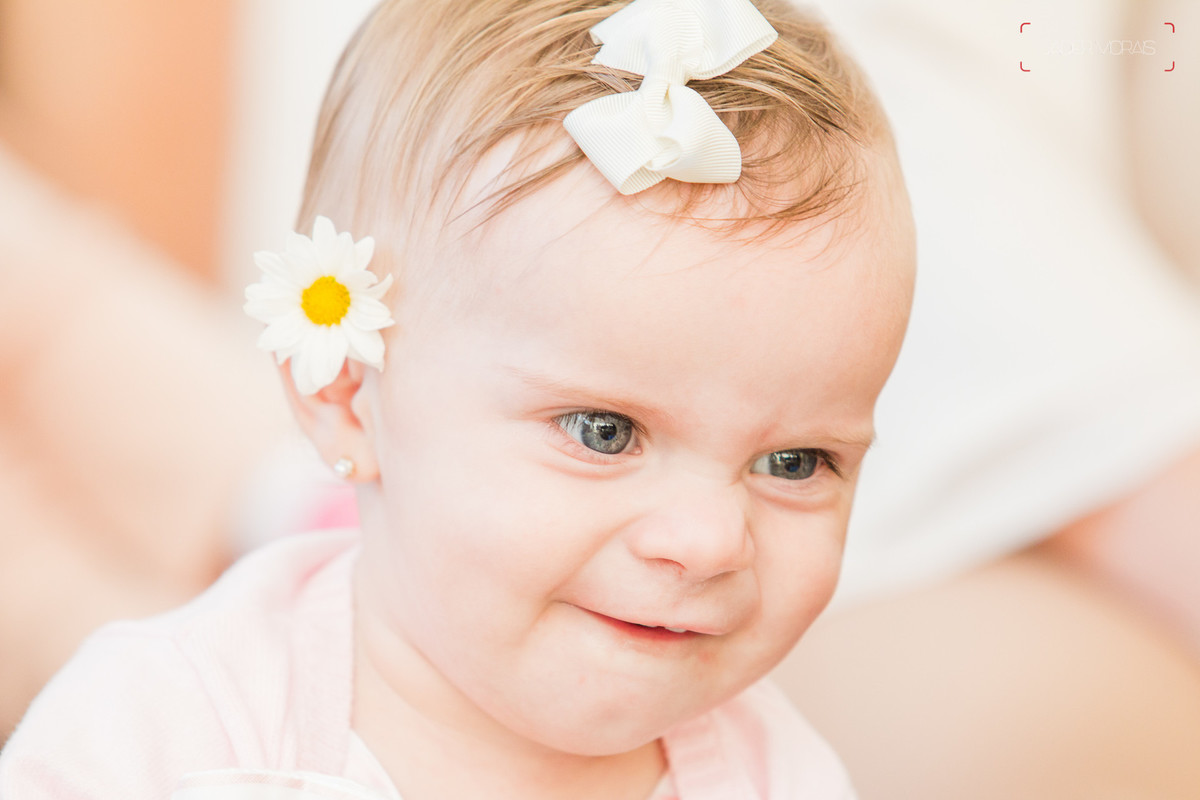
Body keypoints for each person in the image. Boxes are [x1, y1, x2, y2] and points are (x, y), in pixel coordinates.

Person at [0, 0, 915, 797]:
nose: (712, 541)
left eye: (794, 462)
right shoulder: (164, 728)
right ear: (347, 392)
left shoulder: (778, 775)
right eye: (605, 432)